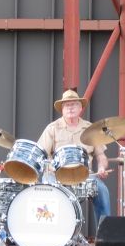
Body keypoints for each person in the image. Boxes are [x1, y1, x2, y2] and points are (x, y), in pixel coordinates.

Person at [37, 89, 112, 236]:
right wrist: (49, 166)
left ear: (80, 108)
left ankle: (105, 237)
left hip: (85, 175)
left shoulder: (91, 129)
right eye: (66, 105)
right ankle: (50, 236)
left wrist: (102, 167)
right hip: (57, 175)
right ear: (62, 110)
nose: (70, 108)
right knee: (47, 185)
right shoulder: (52, 128)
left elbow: (101, 155)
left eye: (74, 104)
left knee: (102, 190)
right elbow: (41, 154)